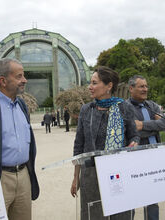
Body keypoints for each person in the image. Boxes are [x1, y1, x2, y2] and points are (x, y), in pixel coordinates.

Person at [70, 66, 139, 220]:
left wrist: (134, 142)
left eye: (94, 83)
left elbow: (134, 135)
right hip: (91, 174)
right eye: (90, 82)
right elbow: (78, 145)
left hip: (119, 172)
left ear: (109, 86)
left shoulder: (124, 107)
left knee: (120, 214)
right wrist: (76, 177)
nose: (90, 86)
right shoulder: (86, 110)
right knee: (92, 215)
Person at [0, 58, 39, 220]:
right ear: (3, 81)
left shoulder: (22, 105)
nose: (24, 80)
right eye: (19, 76)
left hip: (23, 176)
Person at [127, 75, 165, 220]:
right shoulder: (125, 108)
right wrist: (153, 126)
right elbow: (132, 129)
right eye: (141, 86)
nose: (145, 89)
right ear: (131, 89)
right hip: (135, 158)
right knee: (131, 198)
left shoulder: (152, 106)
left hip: (154, 158)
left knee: (152, 197)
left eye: (146, 86)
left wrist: (143, 125)